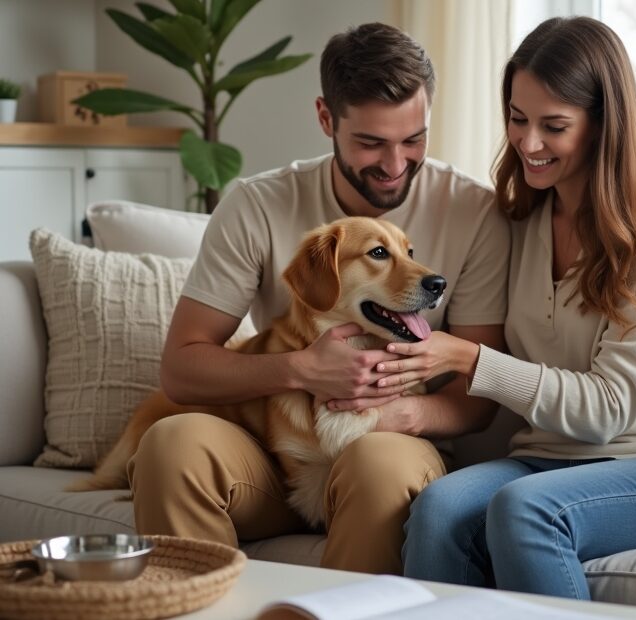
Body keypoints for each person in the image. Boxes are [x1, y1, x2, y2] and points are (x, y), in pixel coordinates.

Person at [379, 16, 636, 598]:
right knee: (440, 507)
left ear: (604, 126)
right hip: (546, 460)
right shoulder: (521, 219)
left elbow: (609, 409)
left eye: (554, 126)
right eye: (518, 119)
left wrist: (473, 361)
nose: (528, 142)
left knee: (526, 511)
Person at [128, 22, 509, 575]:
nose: (396, 163)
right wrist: (303, 370)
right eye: (371, 142)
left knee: (376, 463)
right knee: (172, 443)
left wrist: (402, 414)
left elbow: (481, 391)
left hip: (394, 447)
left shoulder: (475, 212)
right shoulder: (258, 205)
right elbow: (183, 370)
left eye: (414, 139)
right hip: (275, 461)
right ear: (326, 119)